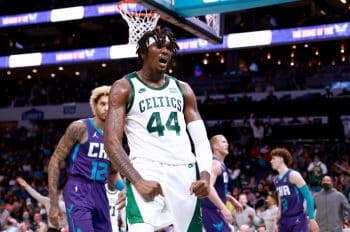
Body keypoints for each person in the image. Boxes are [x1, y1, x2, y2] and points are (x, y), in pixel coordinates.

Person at [104, 27, 212, 232]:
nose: (165, 51)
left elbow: (200, 140)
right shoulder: (124, 87)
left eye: (169, 48)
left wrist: (205, 177)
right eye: (159, 46)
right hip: (146, 168)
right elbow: (111, 142)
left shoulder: (183, 89)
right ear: (144, 51)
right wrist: (137, 180)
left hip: (184, 172)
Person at [48, 86, 125, 231]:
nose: (107, 108)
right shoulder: (79, 127)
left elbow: (113, 173)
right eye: (103, 104)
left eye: (110, 104)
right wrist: (53, 203)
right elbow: (55, 161)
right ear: (94, 105)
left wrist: (124, 188)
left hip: (100, 191)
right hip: (78, 188)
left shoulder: (115, 136)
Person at [270, 148, 319, 232]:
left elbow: (308, 197)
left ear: (281, 159)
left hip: (297, 218)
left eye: (273, 158)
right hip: (284, 220)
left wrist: (311, 219)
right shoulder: (276, 179)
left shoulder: (294, 175)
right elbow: (280, 201)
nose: (271, 161)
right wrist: (276, 220)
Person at [201, 134, 243, 232]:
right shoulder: (214, 164)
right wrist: (224, 208)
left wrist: (231, 199)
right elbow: (208, 188)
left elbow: (218, 190)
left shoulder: (221, 165)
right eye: (223, 142)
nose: (227, 144)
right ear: (215, 146)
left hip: (215, 211)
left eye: (227, 142)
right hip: (210, 210)